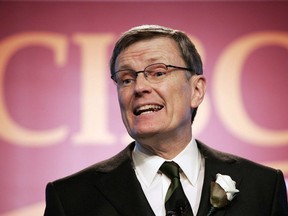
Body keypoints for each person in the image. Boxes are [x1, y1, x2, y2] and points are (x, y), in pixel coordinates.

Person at [44, 25, 288, 216]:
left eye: (158, 73)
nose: (139, 87)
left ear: (196, 90)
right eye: (126, 79)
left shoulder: (263, 186)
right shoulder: (71, 198)